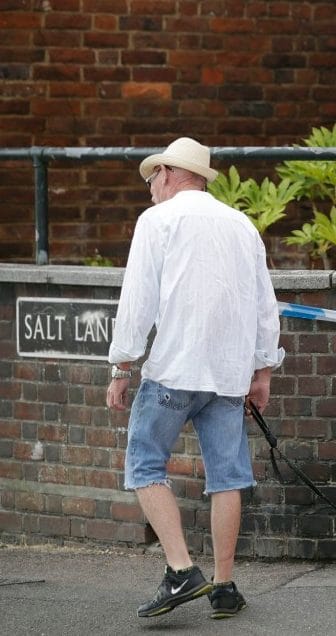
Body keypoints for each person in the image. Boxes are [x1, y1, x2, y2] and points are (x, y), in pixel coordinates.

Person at [106, 137, 285, 618]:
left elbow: (136, 301)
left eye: (151, 180)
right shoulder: (242, 225)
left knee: (145, 465)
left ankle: (182, 570)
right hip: (228, 375)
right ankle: (225, 586)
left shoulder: (157, 221)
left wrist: (122, 365)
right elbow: (265, 306)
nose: (149, 189)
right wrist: (262, 370)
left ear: (167, 173)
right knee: (227, 477)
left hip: (173, 371)